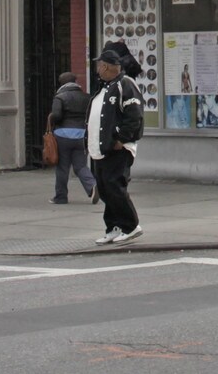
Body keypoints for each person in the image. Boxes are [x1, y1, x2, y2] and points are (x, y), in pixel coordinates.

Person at [87, 41, 145, 244]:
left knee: (115, 187)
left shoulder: (125, 84)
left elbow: (134, 116)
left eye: (99, 65)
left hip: (116, 149)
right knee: (104, 189)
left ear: (105, 66)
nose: (97, 69)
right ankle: (113, 226)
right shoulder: (104, 87)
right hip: (100, 149)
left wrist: (121, 139)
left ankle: (130, 226)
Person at [47, 72, 96, 204]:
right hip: (81, 135)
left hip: (63, 135)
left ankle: (61, 197)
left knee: (62, 167)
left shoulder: (60, 97)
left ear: (61, 83)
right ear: (75, 81)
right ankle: (92, 186)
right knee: (80, 165)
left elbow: (56, 115)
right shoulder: (87, 97)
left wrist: (51, 117)